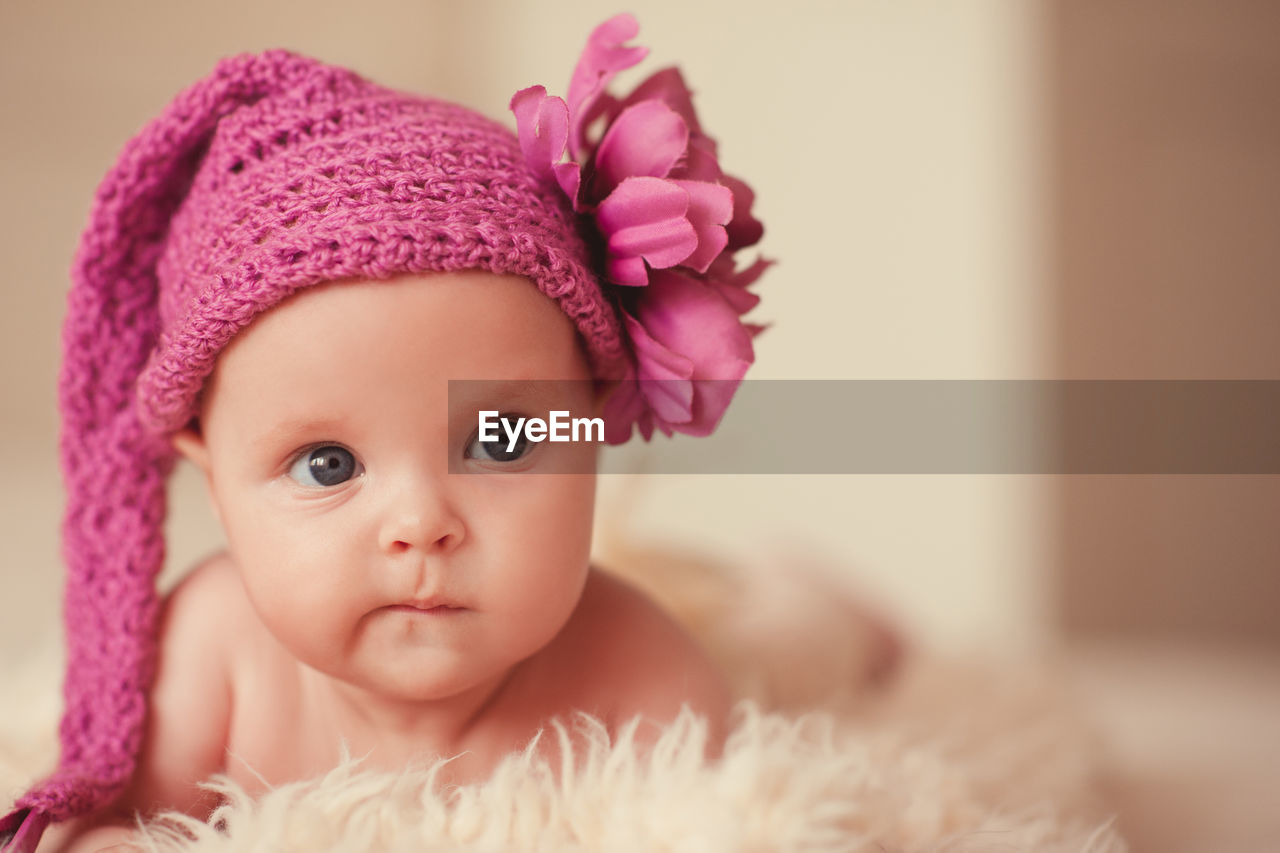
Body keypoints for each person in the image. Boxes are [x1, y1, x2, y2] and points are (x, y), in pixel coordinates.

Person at [0, 14, 775, 853]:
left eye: (502, 442)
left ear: (590, 427)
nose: (419, 524)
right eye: (327, 463)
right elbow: (112, 827)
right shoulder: (211, 649)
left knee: (782, 620)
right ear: (213, 477)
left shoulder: (644, 674)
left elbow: (752, 822)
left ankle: (808, 597)